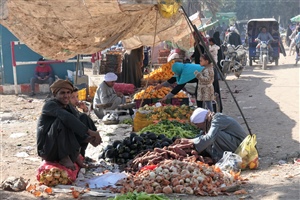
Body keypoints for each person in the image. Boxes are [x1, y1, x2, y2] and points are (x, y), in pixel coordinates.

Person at [36, 79, 102, 170]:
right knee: (63, 120)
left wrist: (90, 136)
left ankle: (78, 155)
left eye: (68, 92)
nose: (66, 96)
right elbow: (66, 117)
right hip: (48, 149)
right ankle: (64, 157)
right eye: (62, 93)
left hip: (64, 145)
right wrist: (89, 132)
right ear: (55, 95)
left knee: (83, 117)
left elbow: (78, 121)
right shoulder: (50, 105)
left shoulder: (68, 106)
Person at [174, 108, 248, 163]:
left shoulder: (217, 119)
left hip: (241, 146)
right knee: (205, 136)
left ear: (202, 121)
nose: (197, 127)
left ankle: (218, 158)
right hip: (233, 143)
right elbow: (202, 136)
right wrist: (188, 142)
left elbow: (209, 138)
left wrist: (191, 141)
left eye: (197, 124)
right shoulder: (210, 121)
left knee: (214, 135)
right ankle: (216, 157)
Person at [69, 87, 97, 157]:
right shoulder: (67, 109)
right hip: (70, 138)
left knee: (84, 118)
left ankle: (82, 152)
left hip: (77, 135)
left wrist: (85, 109)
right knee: (83, 118)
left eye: (77, 96)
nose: (76, 99)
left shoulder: (73, 108)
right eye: (72, 97)